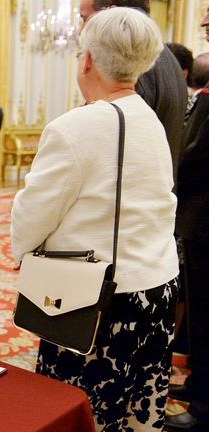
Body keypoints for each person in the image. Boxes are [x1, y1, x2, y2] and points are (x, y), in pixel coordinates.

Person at [11, 8, 178, 431]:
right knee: (138, 411)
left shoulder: (77, 126)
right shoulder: (151, 120)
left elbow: (32, 215)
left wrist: (23, 251)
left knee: (82, 413)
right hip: (156, 292)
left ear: (86, 60)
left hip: (98, 302)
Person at [80, 0, 187, 179]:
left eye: (85, 19)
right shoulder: (164, 56)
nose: (81, 31)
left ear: (111, 13)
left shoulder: (129, 61)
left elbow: (113, 145)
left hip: (125, 196)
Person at [164, 7, 209, 431]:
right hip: (197, 221)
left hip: (204, 219)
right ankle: (197, 388)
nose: (203, 26)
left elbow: (195, 156)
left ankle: (205, 407)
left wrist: (168, 167)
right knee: (199, 314)